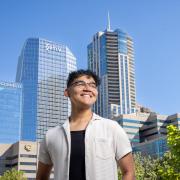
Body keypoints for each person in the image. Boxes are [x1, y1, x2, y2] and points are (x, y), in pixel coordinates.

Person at [36, 69, 135, 180]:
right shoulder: (51, 136)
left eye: (92, 85)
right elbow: (41, 177)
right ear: (67, 92)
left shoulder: (112, 128)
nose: (87, 88)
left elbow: (129, 172)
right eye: (80, 83)